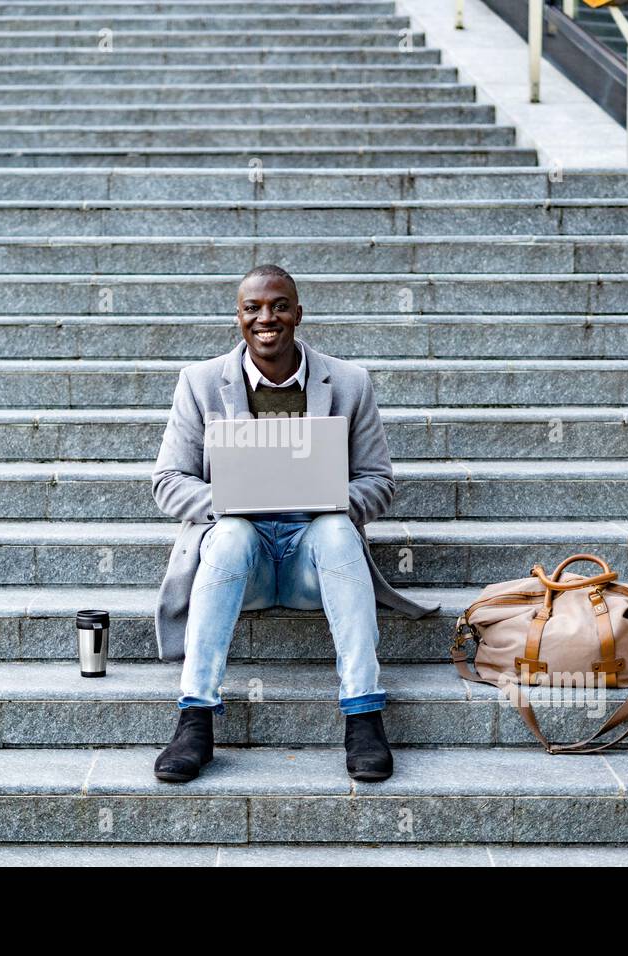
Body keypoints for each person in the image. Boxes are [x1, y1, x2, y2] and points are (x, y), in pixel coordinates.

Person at [149, 264, 440, 783]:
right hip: (243, 559)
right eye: (253, 308)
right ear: (238, 318)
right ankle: (194, 718)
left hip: (315, 556)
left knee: (336, 529)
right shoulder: (199, 384)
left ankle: (364, 715)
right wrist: (227, 501)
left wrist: (331, 498)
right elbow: (168, 480)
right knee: (232, 532)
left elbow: (379, 480)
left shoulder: (349, 383)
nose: (267, 318)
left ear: (298, 314)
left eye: (279, 306)